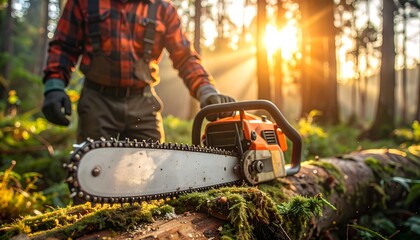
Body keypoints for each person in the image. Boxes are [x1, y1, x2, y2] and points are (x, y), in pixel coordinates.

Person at [42, 0, 235, 143]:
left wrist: (206, 91)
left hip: (142, 102)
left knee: (151, 171)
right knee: (92, 171)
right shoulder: (84, 3)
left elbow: (185, 58)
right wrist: (54, 86)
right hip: (97, 102)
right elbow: (64, 47)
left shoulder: (162, 9)